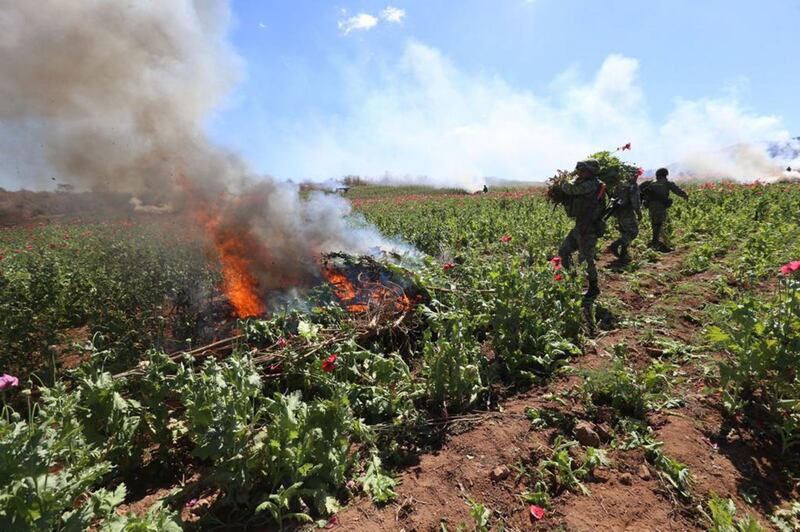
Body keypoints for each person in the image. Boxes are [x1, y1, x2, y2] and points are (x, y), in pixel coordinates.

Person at [557, 159, 606, 299]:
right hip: (581, 226)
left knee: (586, 258)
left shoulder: (592, 184)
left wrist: (563, 182)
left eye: (583, 171)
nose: (580, 173)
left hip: (589, 227)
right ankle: (571, 279)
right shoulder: (587, 182)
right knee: (564, 251)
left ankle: (593, 287)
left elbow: (571, 189)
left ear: (591, 172)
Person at [640, 167, 688, 251]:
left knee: (654, 224)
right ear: (665, 175)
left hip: (651, 206)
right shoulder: (667, 183)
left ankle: (655, 242)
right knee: (660, 224)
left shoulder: (651, 183)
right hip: (661, 206)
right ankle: (658, 243)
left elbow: (641, 192)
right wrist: (685, 195)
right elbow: (677, 190)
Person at [607, 170, 642, 261]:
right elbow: (635, 202)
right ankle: (614, 245)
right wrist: (639, 213)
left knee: (625, 232)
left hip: (618, 212)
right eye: (635, 175)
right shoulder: (633, 186)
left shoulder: (619, 185)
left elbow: (612, 197)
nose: (636, 177)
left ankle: (623, 254)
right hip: (627, 212)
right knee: (633, 232)